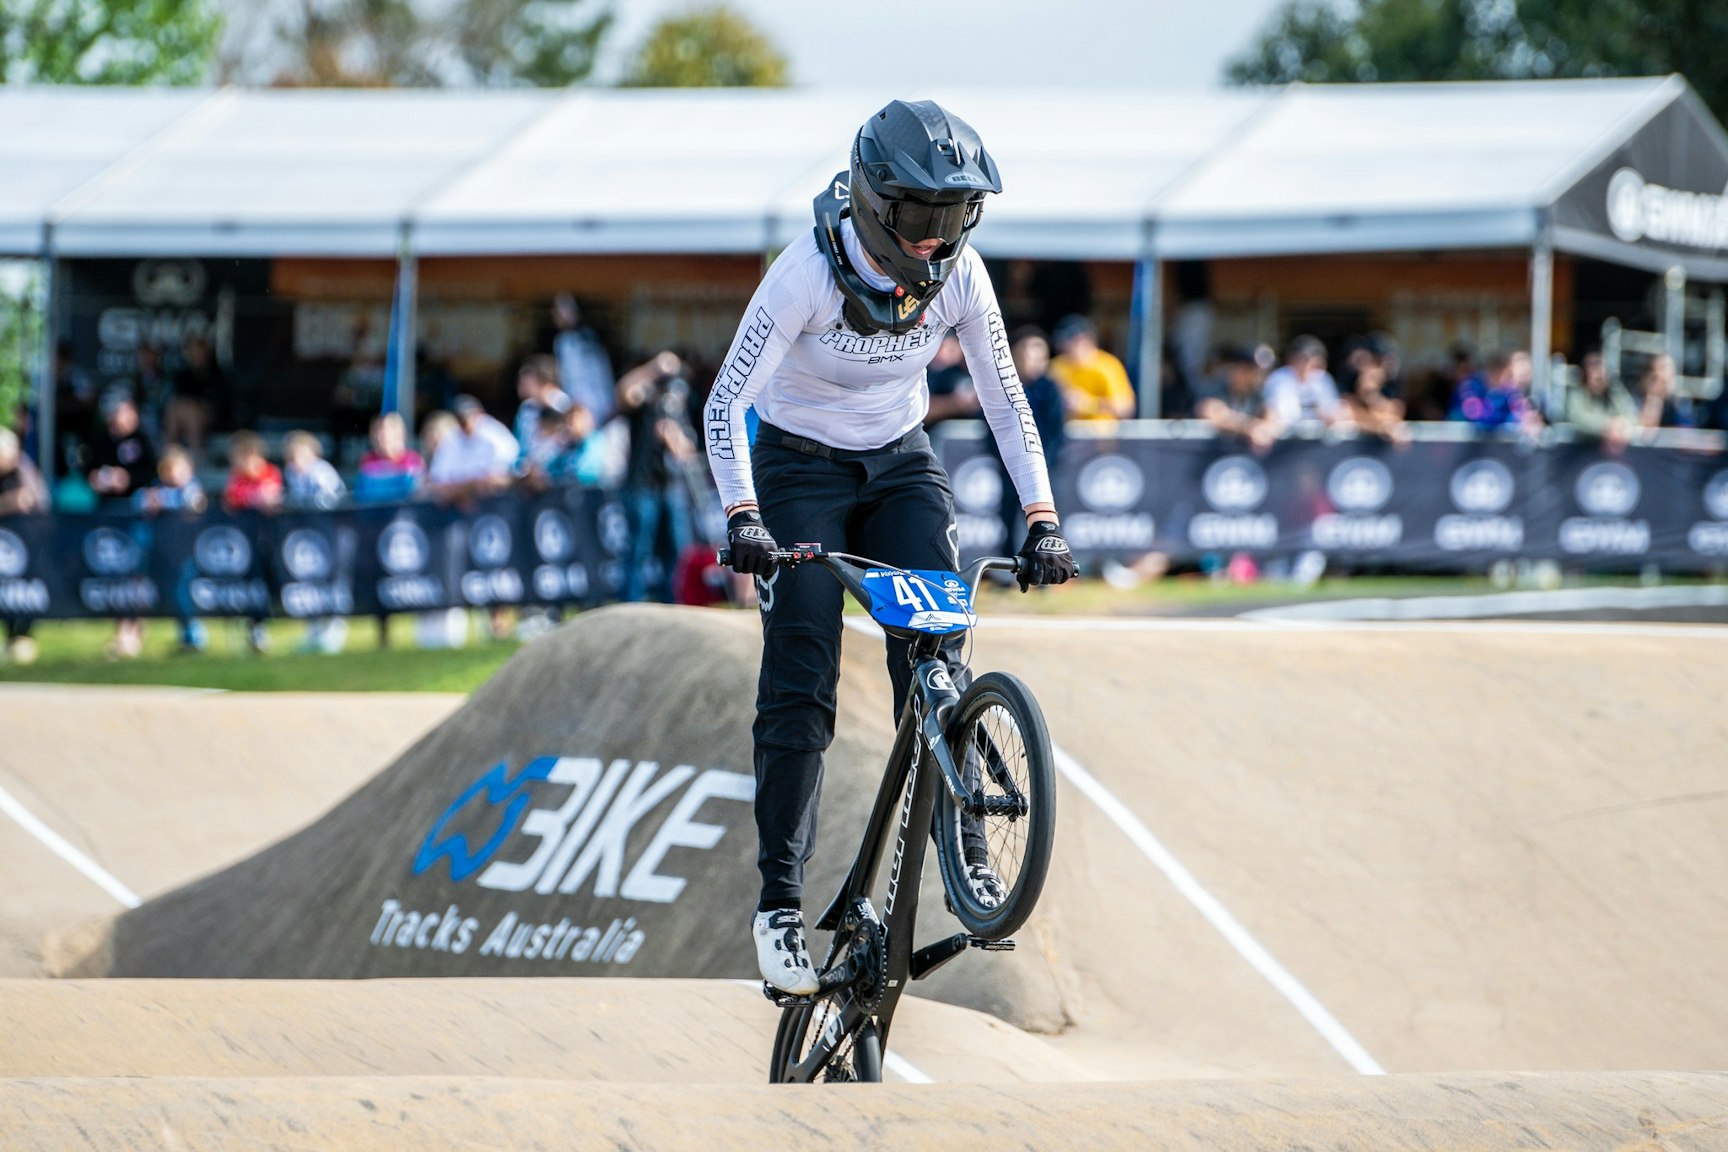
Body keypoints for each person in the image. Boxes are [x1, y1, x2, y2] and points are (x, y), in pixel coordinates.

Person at [705, 99, 1076, 996]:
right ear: (876, 202)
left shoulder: (961, 274)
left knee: (937, 650)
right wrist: (745, 516)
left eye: (958, 213)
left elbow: (1006, 399)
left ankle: (967, 847)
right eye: (920, 213)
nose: (937, 236)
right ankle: (779, 905)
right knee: (803, 676)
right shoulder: (804, 274)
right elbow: (725, 403)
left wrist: (1042, 517)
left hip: (901, 464)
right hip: (797, 472)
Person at [617, 350, 699, 603]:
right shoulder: (644, 399)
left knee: (676, 550)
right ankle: (631, 606)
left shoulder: (677, 410)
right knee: (638, 550)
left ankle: (672, 605)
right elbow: (623, 392)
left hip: (670, 487)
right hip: (642, 485)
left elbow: (688, 452)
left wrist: (673, 438)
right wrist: (655, 367)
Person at [135, 447, 209, 653]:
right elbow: (139, 501)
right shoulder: (156, 489)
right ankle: (184, 635)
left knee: (183, 593)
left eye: (176, 469)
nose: (172, 475)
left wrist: (165, 502)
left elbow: (196, 504)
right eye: (167, 470)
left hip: (186, 553)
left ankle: (194, 635)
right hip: (164, 553)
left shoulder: (192, 490)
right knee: (170, 594)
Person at [223, 432, 284, 653]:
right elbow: (231, 500)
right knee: (251, 586)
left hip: (272, 543)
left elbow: (272, 499)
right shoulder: (236, 478)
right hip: (246, 545)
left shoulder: (271, 473)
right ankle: (256, 628)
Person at [0, 427, 49, 665]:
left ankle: (24, 636)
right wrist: (9, 503)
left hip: (28, 543)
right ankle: (11, 637)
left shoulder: (23, 469)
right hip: (6, 546)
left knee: (27, 590)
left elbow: (31, 499)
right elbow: (16, 500)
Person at [428, 395, 519, 504]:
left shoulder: (495, 433)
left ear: (480, 413)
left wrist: (467, 486)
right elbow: (438, 478)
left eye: (470, 415)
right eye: (461, 418)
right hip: (458, 502)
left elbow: (501, 476)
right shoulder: (452, 438)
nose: (467, 421)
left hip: (496, 500)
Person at [1049, 314, 1135, 422]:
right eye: (1063, 342)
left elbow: (1126, 408)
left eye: (1073, 341)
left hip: (1101, 430)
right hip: (1067, 429)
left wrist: (1088, 404)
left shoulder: (1107, 365)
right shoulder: (1057, 366)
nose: (1065, 347)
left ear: (1088, 341)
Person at [1196, 344, 1282, 451]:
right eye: (1253, 370)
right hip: (1200, 454)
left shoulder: (1256, 393)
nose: (1259, 376)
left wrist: (1265, 429)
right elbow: (1211, 412)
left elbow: (1273, 417)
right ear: (1239, 368)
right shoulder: (1216, 386)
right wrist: (1250, 428)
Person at [552, 294, 616, 425]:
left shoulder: (588, 337)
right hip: (578, 409)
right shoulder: (563, 340)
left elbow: (599, 373)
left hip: (592, 409)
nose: (560, 316)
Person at [87, 394, 157, 509]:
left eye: (133, 411)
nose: (132, 416)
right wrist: (98, 478)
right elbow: (91, 470)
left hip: (139, 506)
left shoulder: (143, 438)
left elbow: (152, 470)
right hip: (107, 506)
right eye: (125, 412)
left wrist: (128, 477)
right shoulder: (100, 440)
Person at [1451, 350, 1542, 434]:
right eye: (1505, 374)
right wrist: (1505, 422)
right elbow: (1477, 418)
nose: (1506, 378)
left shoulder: (1509, 390)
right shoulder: (1471, 386)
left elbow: (1517, 412)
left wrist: (1525, 419)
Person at [1563, 350, 1639, 450]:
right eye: (1593, 368)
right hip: (1582, 450)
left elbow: (1631, 413)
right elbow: (1578, 418)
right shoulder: (1576, 394)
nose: (1599, 374)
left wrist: (1621, 426)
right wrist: (1607, 425)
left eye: (1601, 368)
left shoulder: (1614, 392)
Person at [1263, 335, 1344, 427]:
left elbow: (1332, 411)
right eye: (1302, 359)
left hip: (1319, 432)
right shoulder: (1278, 378)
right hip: (1287, 432)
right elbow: (1276, 415)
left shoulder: (1322, 378)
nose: (1306, 365)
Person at [166, 333, 221, 458]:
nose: (196, 354)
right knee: (175, 408)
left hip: (209, 414)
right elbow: (180, 395)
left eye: (199, 350)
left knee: (191, 411)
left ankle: (197, 453)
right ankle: (170, 453)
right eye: (193, 351)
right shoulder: (184, 374)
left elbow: (218, 400)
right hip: (183, 412)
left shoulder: (215, 373)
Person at [514, 356, 573, 468]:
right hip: (529, 470)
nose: (520, 385)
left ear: (542, 380)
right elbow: (521, 447)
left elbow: (568, 446)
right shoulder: (526, 409)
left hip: (558, 471)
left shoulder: (565, 406)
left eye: (525, 379)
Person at [354, 411, 424, 505]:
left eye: (384, 434)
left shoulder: (413, 461)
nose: (379, 438)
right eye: (375, 433)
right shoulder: (367, 461)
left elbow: (417, 494)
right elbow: (361, 495)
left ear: (399, 435)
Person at [922, 332, 979, 427]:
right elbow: (920, 410)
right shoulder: (936, 373)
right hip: (940, 429)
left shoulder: (982, 366)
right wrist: (954, 403)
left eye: (949, 349)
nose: (942, 354)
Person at [1636, 353, 1693, 430]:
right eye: (1655, 378)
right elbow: (1645, 428)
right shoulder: (1639, 400)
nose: (1666, 375)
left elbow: (1686, 430)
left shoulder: (1679, 403)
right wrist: (1653, 399)